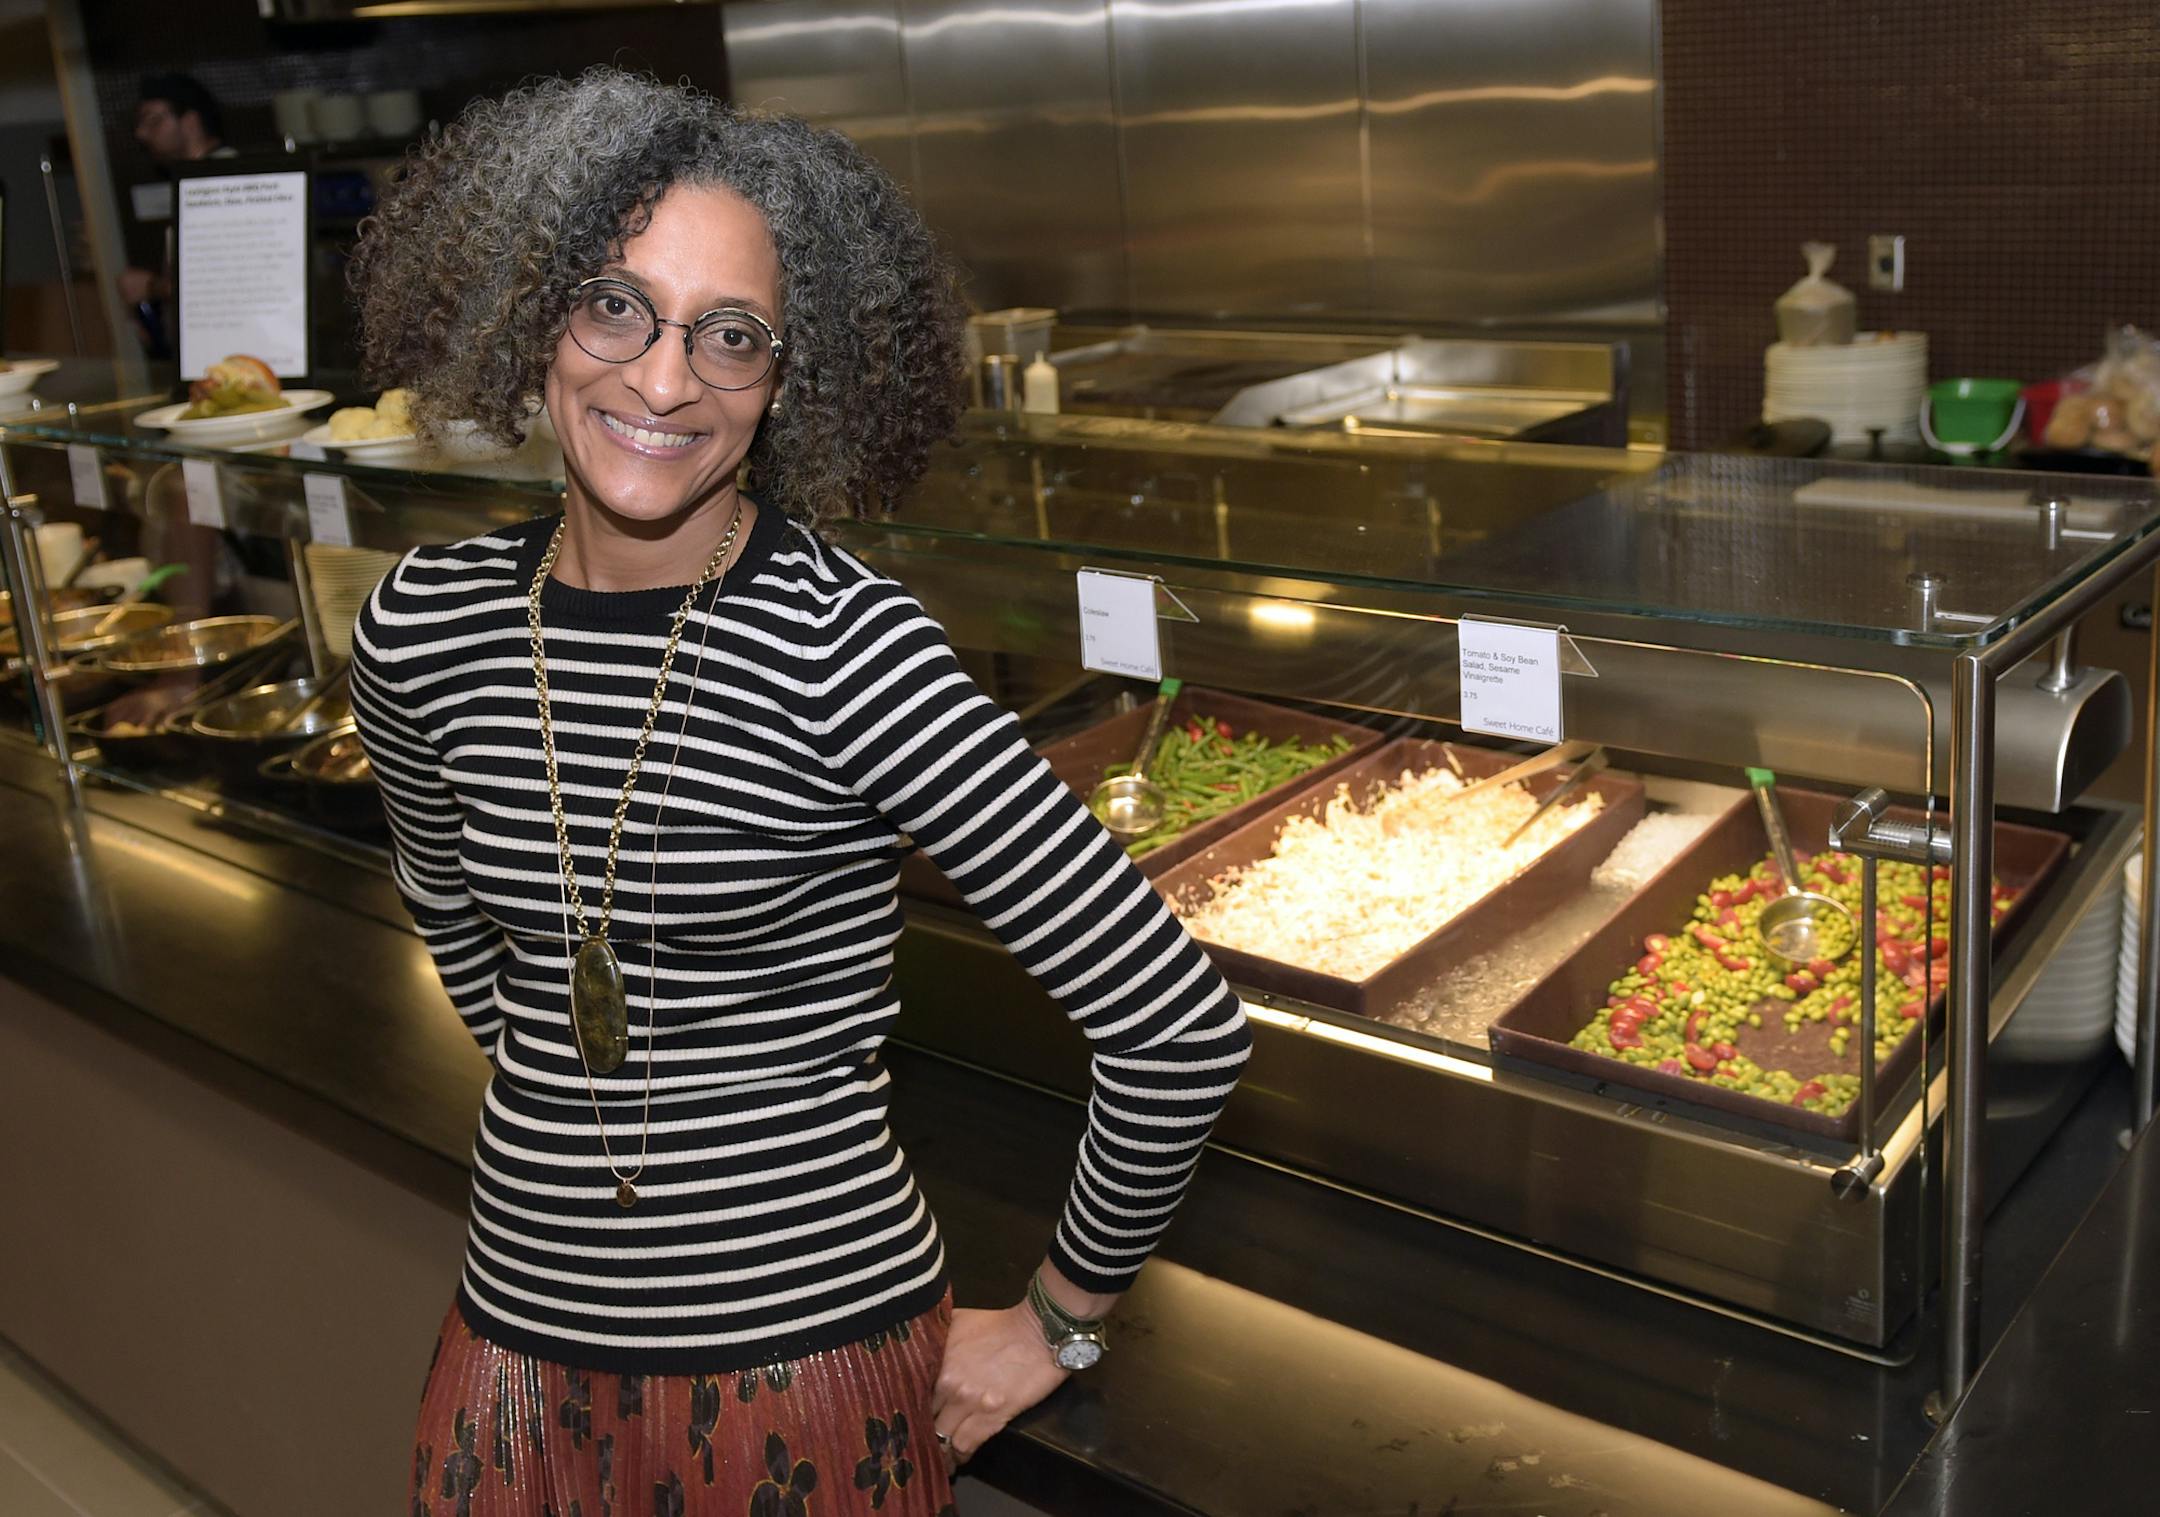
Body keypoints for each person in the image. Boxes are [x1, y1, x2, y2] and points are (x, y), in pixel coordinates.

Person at [346, 68, 1250, 1515]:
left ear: (788, 381)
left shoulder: (850, 652)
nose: (661, 379)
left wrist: (1057, 1323)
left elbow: (1175, 1030)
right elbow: (458, 930)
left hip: (801, 1385)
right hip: (516, 1353)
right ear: (535, 315)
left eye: (732, 337)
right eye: (614, 305)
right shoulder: (421, 628)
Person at [119, 74, 237, 345]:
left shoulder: (223, 183)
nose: (141, 133)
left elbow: (225, 286)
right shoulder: (196, 181)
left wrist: (149, 287)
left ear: (191, 122)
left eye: (153, 120)